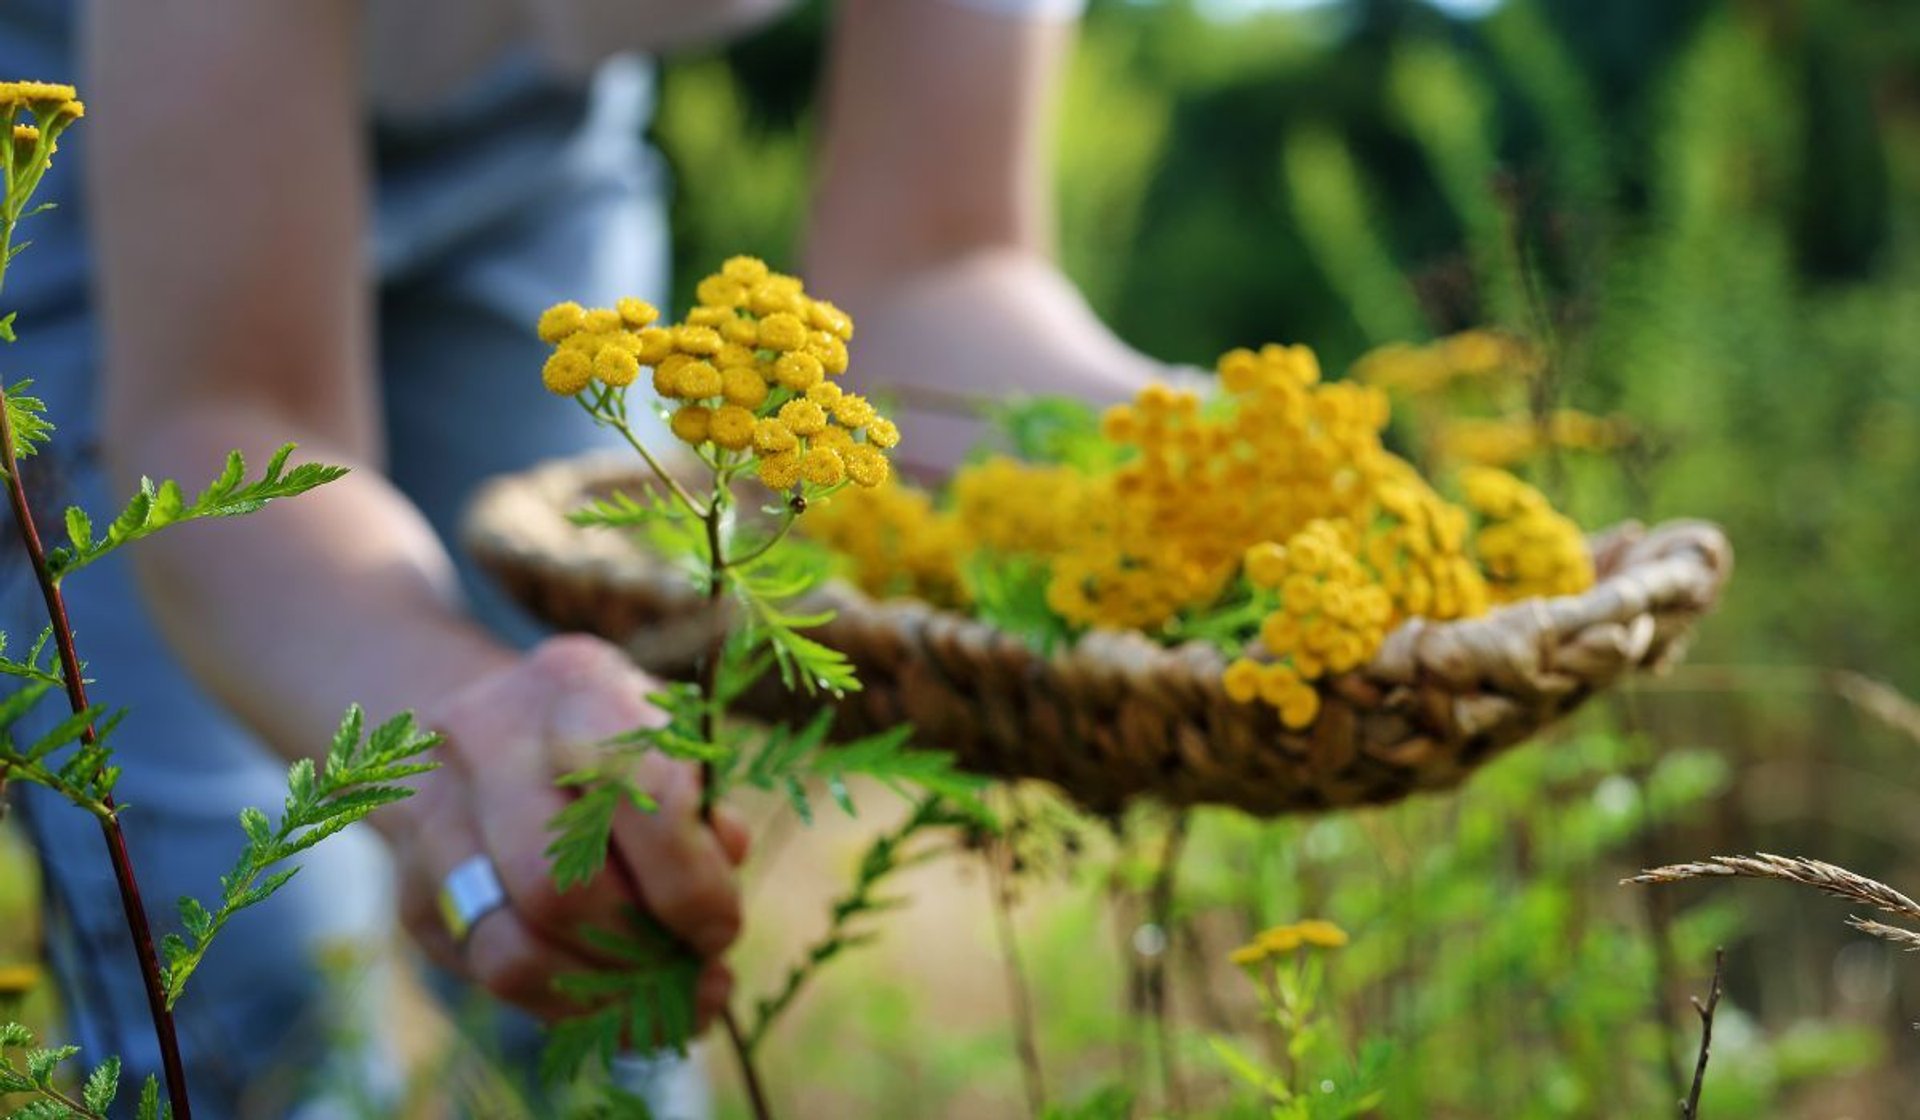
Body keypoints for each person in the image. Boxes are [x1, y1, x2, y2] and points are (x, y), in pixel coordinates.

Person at [0, 0, 1165, 1114]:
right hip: (88, 111)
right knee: (245, 982)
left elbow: (934, 273)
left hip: (537, 135)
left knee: (599, 921)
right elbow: (229, 416)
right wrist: (460, 720)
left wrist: (1252, 464)